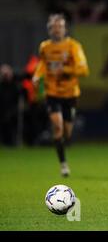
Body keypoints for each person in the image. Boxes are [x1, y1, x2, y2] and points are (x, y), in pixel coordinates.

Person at [32, 14, 89, 177]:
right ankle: (63, 165)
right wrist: (37, 76)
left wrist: (65, 70)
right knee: (57, 127)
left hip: (70, 93)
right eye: (53, 27)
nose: (57, 30)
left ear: (65, 29)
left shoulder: (73, 46)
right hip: (52, 92)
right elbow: (43, 64)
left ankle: (65, 141)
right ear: (49, 30)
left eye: (60, 27)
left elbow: (84, 70)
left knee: (67, 133)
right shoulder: (45, 47)